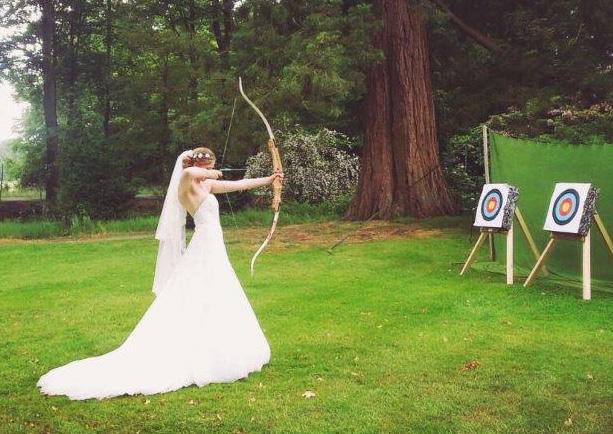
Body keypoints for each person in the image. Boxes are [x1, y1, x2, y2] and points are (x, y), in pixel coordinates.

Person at [37, 147, 283, 400]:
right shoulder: (186, 184)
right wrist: (210, 170)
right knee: (202, 287)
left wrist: (269, 179)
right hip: (204, 243)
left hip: (214, 243)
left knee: (217, 290)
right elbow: (190, 171)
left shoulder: (207, 185)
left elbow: (239, 184)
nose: (209, 171)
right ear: (201, 164)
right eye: (208, 166)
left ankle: (222, 345)